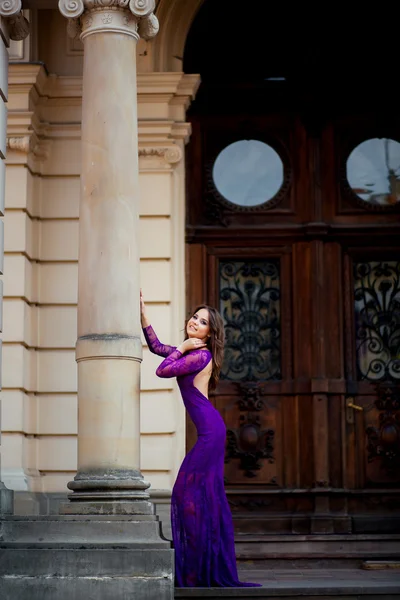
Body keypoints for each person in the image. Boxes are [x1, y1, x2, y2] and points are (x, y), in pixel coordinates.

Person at [140, 291, 260, 588]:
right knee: (196, 499)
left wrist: (180, 347)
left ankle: (197, 569)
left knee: (187, 494)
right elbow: (157, 348)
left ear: (210, 332)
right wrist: (143, 315)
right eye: (195, 316)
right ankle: (198, 567)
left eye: (203, 321)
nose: (195, 321)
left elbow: (163, 369)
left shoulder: (200, 355)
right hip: (209, 431)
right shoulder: (191, 353)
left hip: (211, 433)